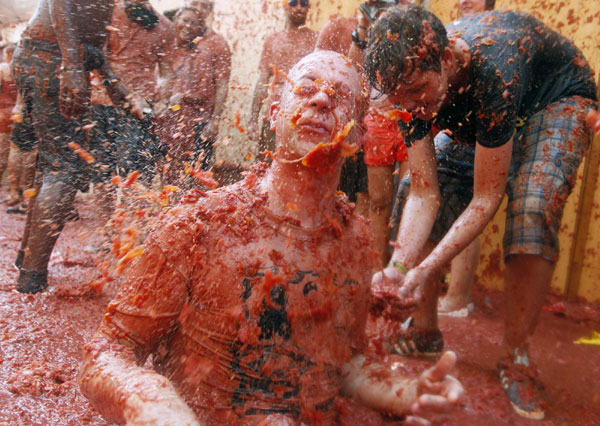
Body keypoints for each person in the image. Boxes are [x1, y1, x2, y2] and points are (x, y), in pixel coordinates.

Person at [79, 50, 464, 425]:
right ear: (275, 112)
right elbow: (109, 351)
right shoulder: (196, 227)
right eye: (305, 88)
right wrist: (147, 399)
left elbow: (342, 361)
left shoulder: (355, 240)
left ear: (360, 134)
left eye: (341, 96)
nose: (320, 100)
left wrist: (405, 393)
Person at [363, 5, 597, 419]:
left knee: (531, 206)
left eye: (418, 92)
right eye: (401, 99)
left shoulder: (495, 68)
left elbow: (487, 198)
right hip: (478, 106)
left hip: (553, 100)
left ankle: (516, 356)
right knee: (407, 189)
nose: (413, 107)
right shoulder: (406, 83)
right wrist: (399, 272)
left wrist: (422, 268)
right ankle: (424, 332)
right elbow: (424, 191)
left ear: (448, 60)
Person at [13, 0, 149, 294]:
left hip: (49, 56)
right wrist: (72, 66)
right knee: (65, 168)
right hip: (51, 58)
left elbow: (93, 40)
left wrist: (117, 89)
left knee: (53, 165)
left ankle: (26, 260)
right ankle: (31, 280)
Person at [158, 3, 231, 186]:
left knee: (198, 175)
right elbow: (163, 76)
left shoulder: (218, 43)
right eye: (195, 3)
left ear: (210, 11)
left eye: (205, 5)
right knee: (168, 172)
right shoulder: (173, 39)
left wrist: (215, 121)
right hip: (172, 119)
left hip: (201, 120)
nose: (199, 8)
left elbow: (222, 85)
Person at [247, 0, 317, 162]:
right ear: (285, 6)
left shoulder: (316, 40)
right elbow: (262, 81)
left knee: (300, 168)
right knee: (266, 165)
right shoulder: (272, 40)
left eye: (303, 3)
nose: (299, 8)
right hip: (274, 113)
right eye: (293, 3)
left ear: (309, 8)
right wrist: (252, 120)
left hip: (304, 115)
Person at [0, 44, 17, 193]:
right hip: (14, 115)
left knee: (4, 153)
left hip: (6, 115)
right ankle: (13, 191)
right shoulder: (21, 68)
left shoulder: (4, 68)